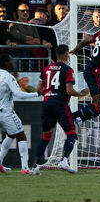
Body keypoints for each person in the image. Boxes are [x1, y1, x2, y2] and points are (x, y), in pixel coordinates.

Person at [31, 45, 89, 175]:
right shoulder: (68, 70)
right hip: (60, 104)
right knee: (72, 134)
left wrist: (49, 92)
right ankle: (63, 161)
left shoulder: (46, 69)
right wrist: (81, 93)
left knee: (46, 137)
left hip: (46, 104)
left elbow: (39, 90)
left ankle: (35, 166)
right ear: (67, 55)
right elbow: (69, 91)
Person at [0, 54, 39, 174]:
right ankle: (25, 168)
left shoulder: (8, 77)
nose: (13, 63)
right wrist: (36, 94)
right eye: (11, 61)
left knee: (11, 135)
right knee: (21, 136)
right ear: (6, 63)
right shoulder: (8, 77)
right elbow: (19, 94)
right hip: (6, 112)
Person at [8, 4, 41, 71]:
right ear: (18, 12)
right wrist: (31, 38)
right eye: (23, 11)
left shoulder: (32, 26)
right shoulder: (13, 24)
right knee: (15, 78)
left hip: (30, 56)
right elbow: (18, 36)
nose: (25, 12)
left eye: (27, 11)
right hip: (16, 55)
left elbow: (38, 41)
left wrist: (22, 39)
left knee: (30, 79)